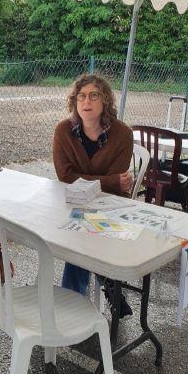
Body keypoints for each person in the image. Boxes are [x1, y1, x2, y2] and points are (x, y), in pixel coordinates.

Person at [52, 73, 134, 317]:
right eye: (81, 96)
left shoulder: (122, 134)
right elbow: (64, 176)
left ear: (105, 101)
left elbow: (115, 191)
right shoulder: (63, 131)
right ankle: (107, 285)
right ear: (75, 102)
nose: (86, 102)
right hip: (74, 205)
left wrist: (98, 182)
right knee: (80, 235)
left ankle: (72, 307)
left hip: (112, 208)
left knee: (82, 239)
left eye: (94, 96)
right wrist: (108, 180)